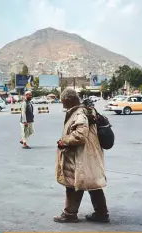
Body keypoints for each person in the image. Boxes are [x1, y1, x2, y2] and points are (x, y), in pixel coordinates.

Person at [54, 88, 109, 223]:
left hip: (80, 155)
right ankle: (101, 213)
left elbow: (80, 135)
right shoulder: (87, 110)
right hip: (90, 154)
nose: (63, 105)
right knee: (92, 183)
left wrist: (64, 141)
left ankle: (69, 214)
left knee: (73, 184)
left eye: (63, 102)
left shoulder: (79, 113)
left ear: (70, 100)